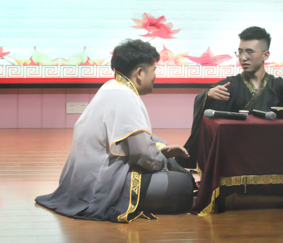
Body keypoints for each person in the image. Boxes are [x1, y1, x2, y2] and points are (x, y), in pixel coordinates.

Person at [35, 39, 195, 223]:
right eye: (154, 70)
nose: (155, 76)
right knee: (183, 184)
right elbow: (144, 155)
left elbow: (140, 139)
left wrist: (161, 149)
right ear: (140, 73)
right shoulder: (125, 96)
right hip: (101, 187)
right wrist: (163, 160)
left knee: (173, 166)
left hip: (81, 185)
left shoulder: (111, 87)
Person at [179, 26, 283, 169]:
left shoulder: (280, 86)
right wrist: (208, 96)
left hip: (275, 156)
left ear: (266, 55)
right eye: (240, 52)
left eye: (250, 52)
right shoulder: (230, 85)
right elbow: (205, 109)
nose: (243, 57)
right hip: (235, 157)